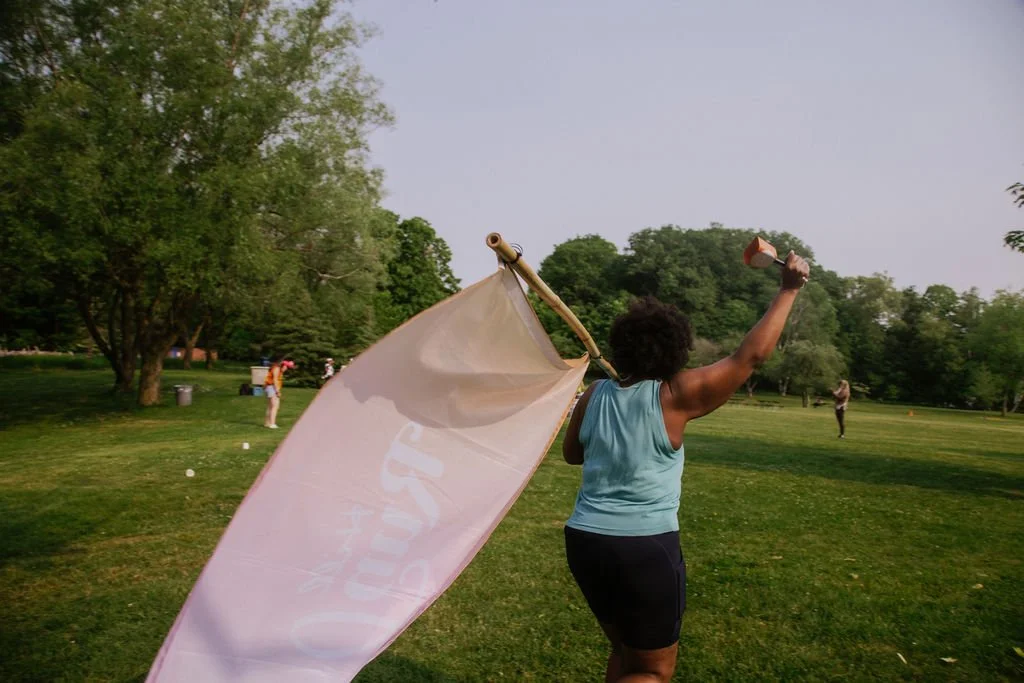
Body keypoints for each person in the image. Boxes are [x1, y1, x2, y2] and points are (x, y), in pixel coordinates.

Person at [562, 252, 810, 683]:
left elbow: (573, 454)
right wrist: (788, 289)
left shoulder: (594, 394)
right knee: (652, 671)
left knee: (625, 652)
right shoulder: (674, 395)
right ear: (676, 348)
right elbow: (749, 358)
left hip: (585, 541)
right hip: (643, 547)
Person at [264, 359, 294, 429]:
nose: (286, 369)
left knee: (271, 406)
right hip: (272, 388)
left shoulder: (277, 369)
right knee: (275, 406)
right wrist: (277, 391)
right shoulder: (277, 369)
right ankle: (272, 424)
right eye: (287, 367)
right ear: (283, 366)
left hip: (270, 387)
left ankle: (267, 423)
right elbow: (274, 380)